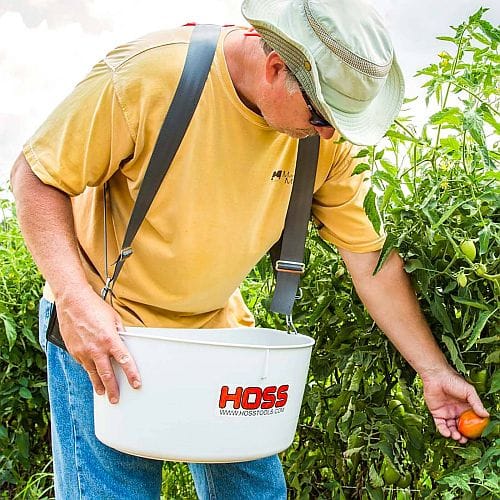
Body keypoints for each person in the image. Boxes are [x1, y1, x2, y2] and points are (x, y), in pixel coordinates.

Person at [10, 0, 489, 498]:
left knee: (254, 491)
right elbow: (35, 176)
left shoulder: (324, 140)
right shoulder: (149, 76)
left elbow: (369, 258)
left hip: (214, 330)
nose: (330, 134)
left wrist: (434, 371)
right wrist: (73, 298)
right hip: (106, 325)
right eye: (324, 114)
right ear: (276, 66)